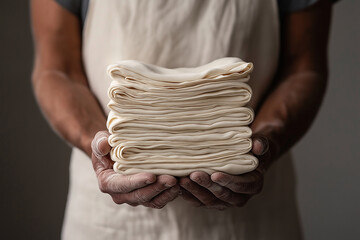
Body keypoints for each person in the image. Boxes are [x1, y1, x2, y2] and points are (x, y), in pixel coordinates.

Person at [30, 0, 335, 239]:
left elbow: (303, 67)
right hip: (110, 224)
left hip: (254, 221)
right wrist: (95, 145)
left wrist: (267, 143)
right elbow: (57, 70)